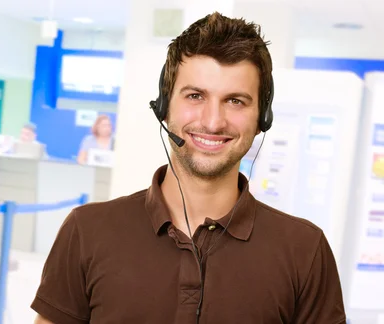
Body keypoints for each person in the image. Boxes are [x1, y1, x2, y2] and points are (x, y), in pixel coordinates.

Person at [31, 13, 346, 324]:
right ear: (164, 107)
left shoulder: (305, 250)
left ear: (262, 118)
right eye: (195, 96)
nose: (212, 121)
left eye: (235, 101)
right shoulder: (87, 231)